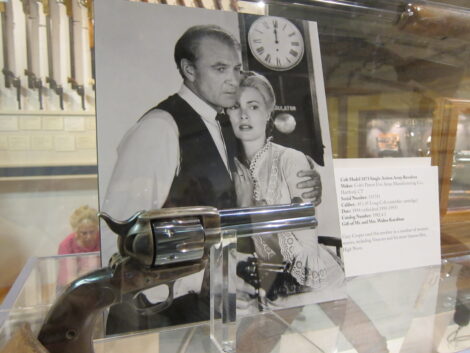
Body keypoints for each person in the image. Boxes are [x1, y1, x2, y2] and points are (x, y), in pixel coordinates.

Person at [102, 25, 322, 330]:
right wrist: (205, 280)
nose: (233, 80)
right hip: (166, 311)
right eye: (220, 69)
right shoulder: (161, 127)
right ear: (189, 70)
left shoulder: (221, 125)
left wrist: (310, 186)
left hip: (214, 303)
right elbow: (131, 233)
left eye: (236, 69)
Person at [227, 72, 343, 305]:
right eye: (234, 107)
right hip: (254, 284)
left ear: (268, 113)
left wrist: (249, 208)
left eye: (253, 106)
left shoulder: (291, 159)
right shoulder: (228, 165)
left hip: (306, 284)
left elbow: (303, 246)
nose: (243, 115)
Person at [57, 205, 100, 287]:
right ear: (76, 232)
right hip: (75, 288)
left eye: (92, 232)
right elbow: (69, 279)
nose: (89, 236)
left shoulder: (102, 240)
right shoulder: (66, 245)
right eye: (84, 233)